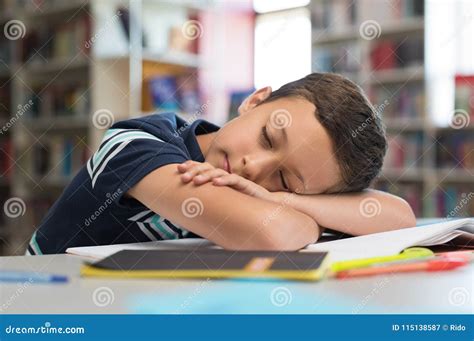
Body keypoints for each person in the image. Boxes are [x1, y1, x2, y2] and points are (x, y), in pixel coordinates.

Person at [26, 73, 415, 255]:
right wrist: (284, 203)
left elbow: (399, 217)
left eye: (283, 177)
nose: (253, 167)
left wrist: (281, 199)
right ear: (255, 100)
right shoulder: (138, 145)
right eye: (267, 138)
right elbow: (275, 235)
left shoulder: (264, 193)